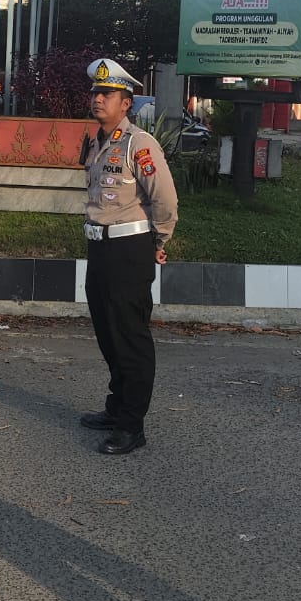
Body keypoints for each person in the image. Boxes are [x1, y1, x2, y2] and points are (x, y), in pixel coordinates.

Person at [76, 59, 179, 456]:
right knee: (107, 333)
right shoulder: (97, 142)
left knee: (130, 338)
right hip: (99, 247)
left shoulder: (140, 143)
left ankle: (131, 426)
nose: (98, 99)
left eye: (108, 94)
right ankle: (116, 408)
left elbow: (164, 199)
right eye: (95, 93)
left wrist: (160, 239)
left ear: (126, 103)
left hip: (129, 250)